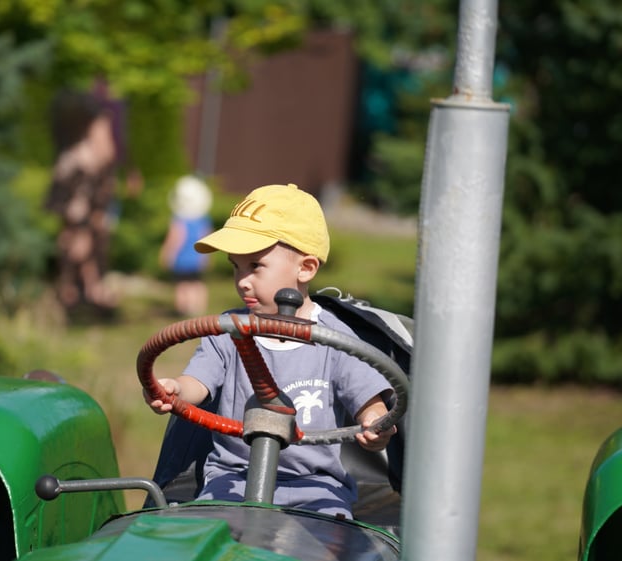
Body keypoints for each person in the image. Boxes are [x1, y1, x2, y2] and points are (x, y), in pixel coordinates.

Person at [144, 183, 396, 519]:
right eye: (236, 267)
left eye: (255, 266)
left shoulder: (334, 339)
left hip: (316, 486)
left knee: (331, 540)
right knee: (204, 534)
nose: (242, 280)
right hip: (232, 479)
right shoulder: (229, 330)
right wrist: (174, 390)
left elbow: (368, 400)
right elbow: (198, 382)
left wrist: (375, 423)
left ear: (305, 268)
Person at [46, 91, 120, 317]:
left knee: (88, 252)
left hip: (89, 212)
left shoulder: (88, 152)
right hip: (80, 212)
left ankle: (87, 295)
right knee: (78, 249)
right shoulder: (77, 156)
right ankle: (78, 296)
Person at [159, 175, 214, 316]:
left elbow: (175, 239)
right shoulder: (204, 219)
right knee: (198, 283)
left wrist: (167, 254)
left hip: (182, 258)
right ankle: (198, 309)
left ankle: (183, 310)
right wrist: (208, 257)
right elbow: (208, 238)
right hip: (198, 257)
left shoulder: (178, 219)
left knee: (182, 284)